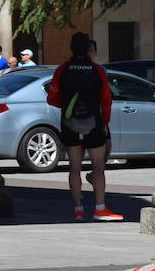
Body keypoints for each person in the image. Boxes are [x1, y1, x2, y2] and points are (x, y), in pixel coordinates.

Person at [46, 31, 122, 222]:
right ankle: (100, 208)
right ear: (89, 48)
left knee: (74, 168)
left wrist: (68, 107)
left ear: (71, 48)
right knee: (98, 167)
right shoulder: (97, 71)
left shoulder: (62, 69)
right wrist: (104, 123)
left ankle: (78, 209)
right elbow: (106, 100)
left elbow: (52, 98)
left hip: (70, 124)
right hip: (94, 124)